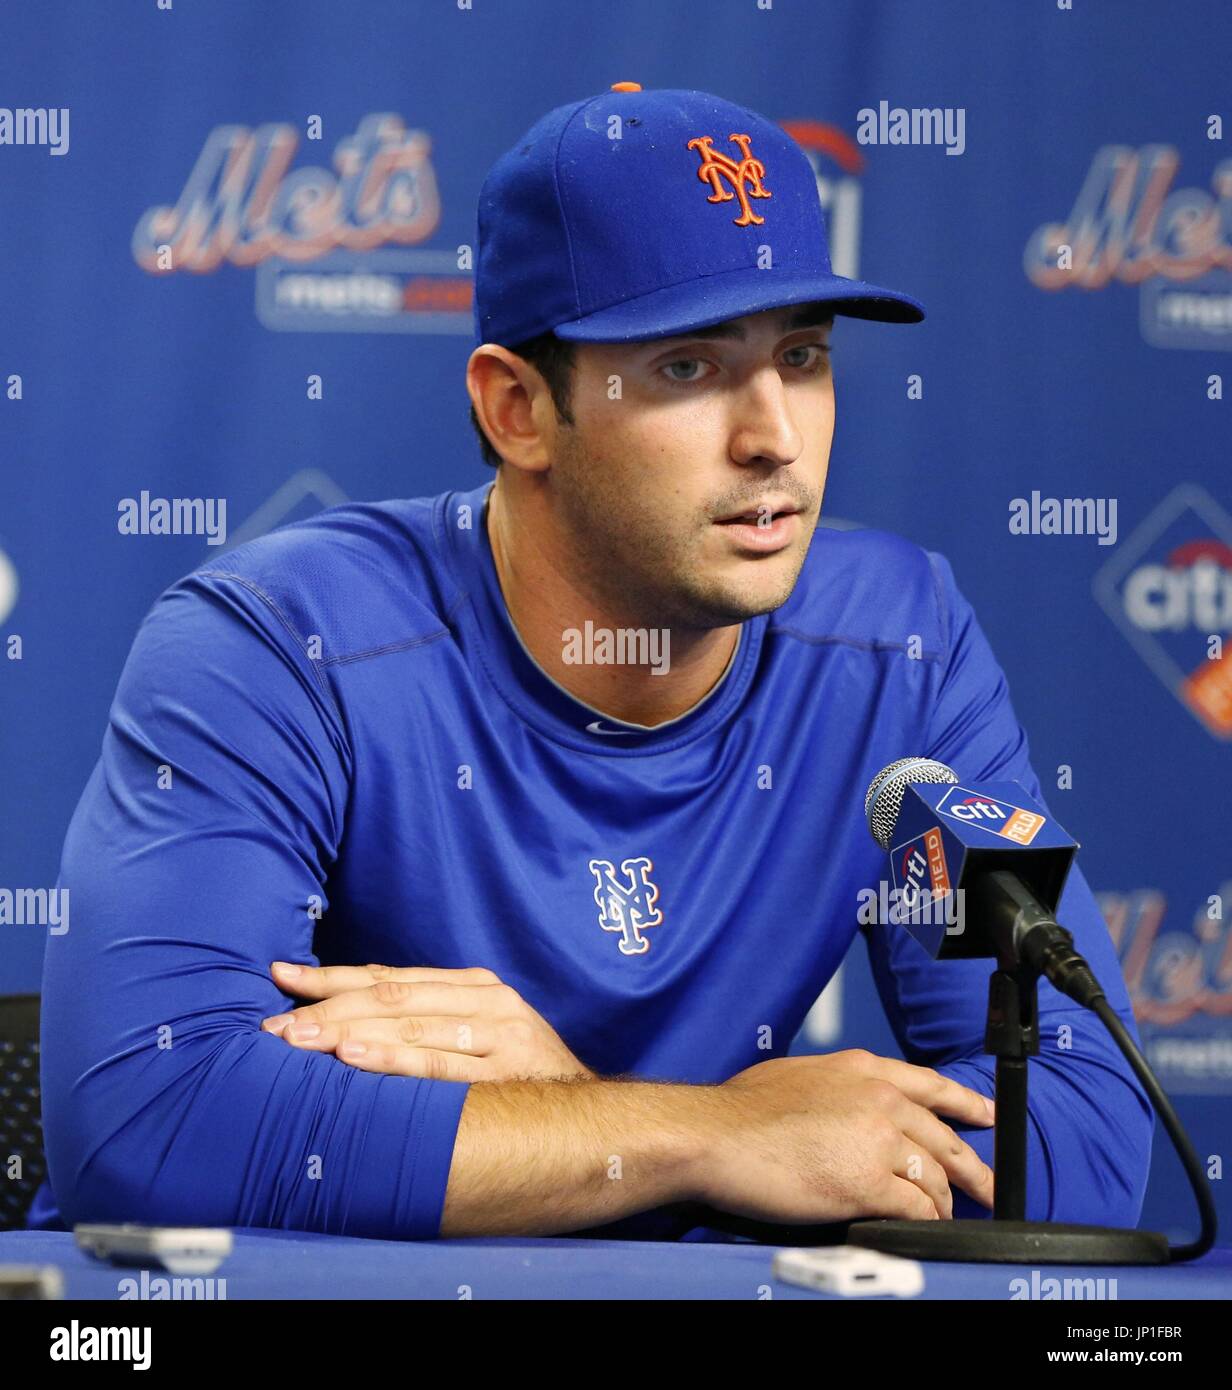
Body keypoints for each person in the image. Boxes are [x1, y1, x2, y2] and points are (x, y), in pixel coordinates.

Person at [33, 85, 1150, 1241]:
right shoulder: (275, 641)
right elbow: (154, 1125)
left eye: (802, 356)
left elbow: (1085, 1131)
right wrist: (712, 1137)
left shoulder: (898, 646)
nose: (773, 434)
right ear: (517, 409)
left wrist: (596, 1131)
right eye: (685, 368)